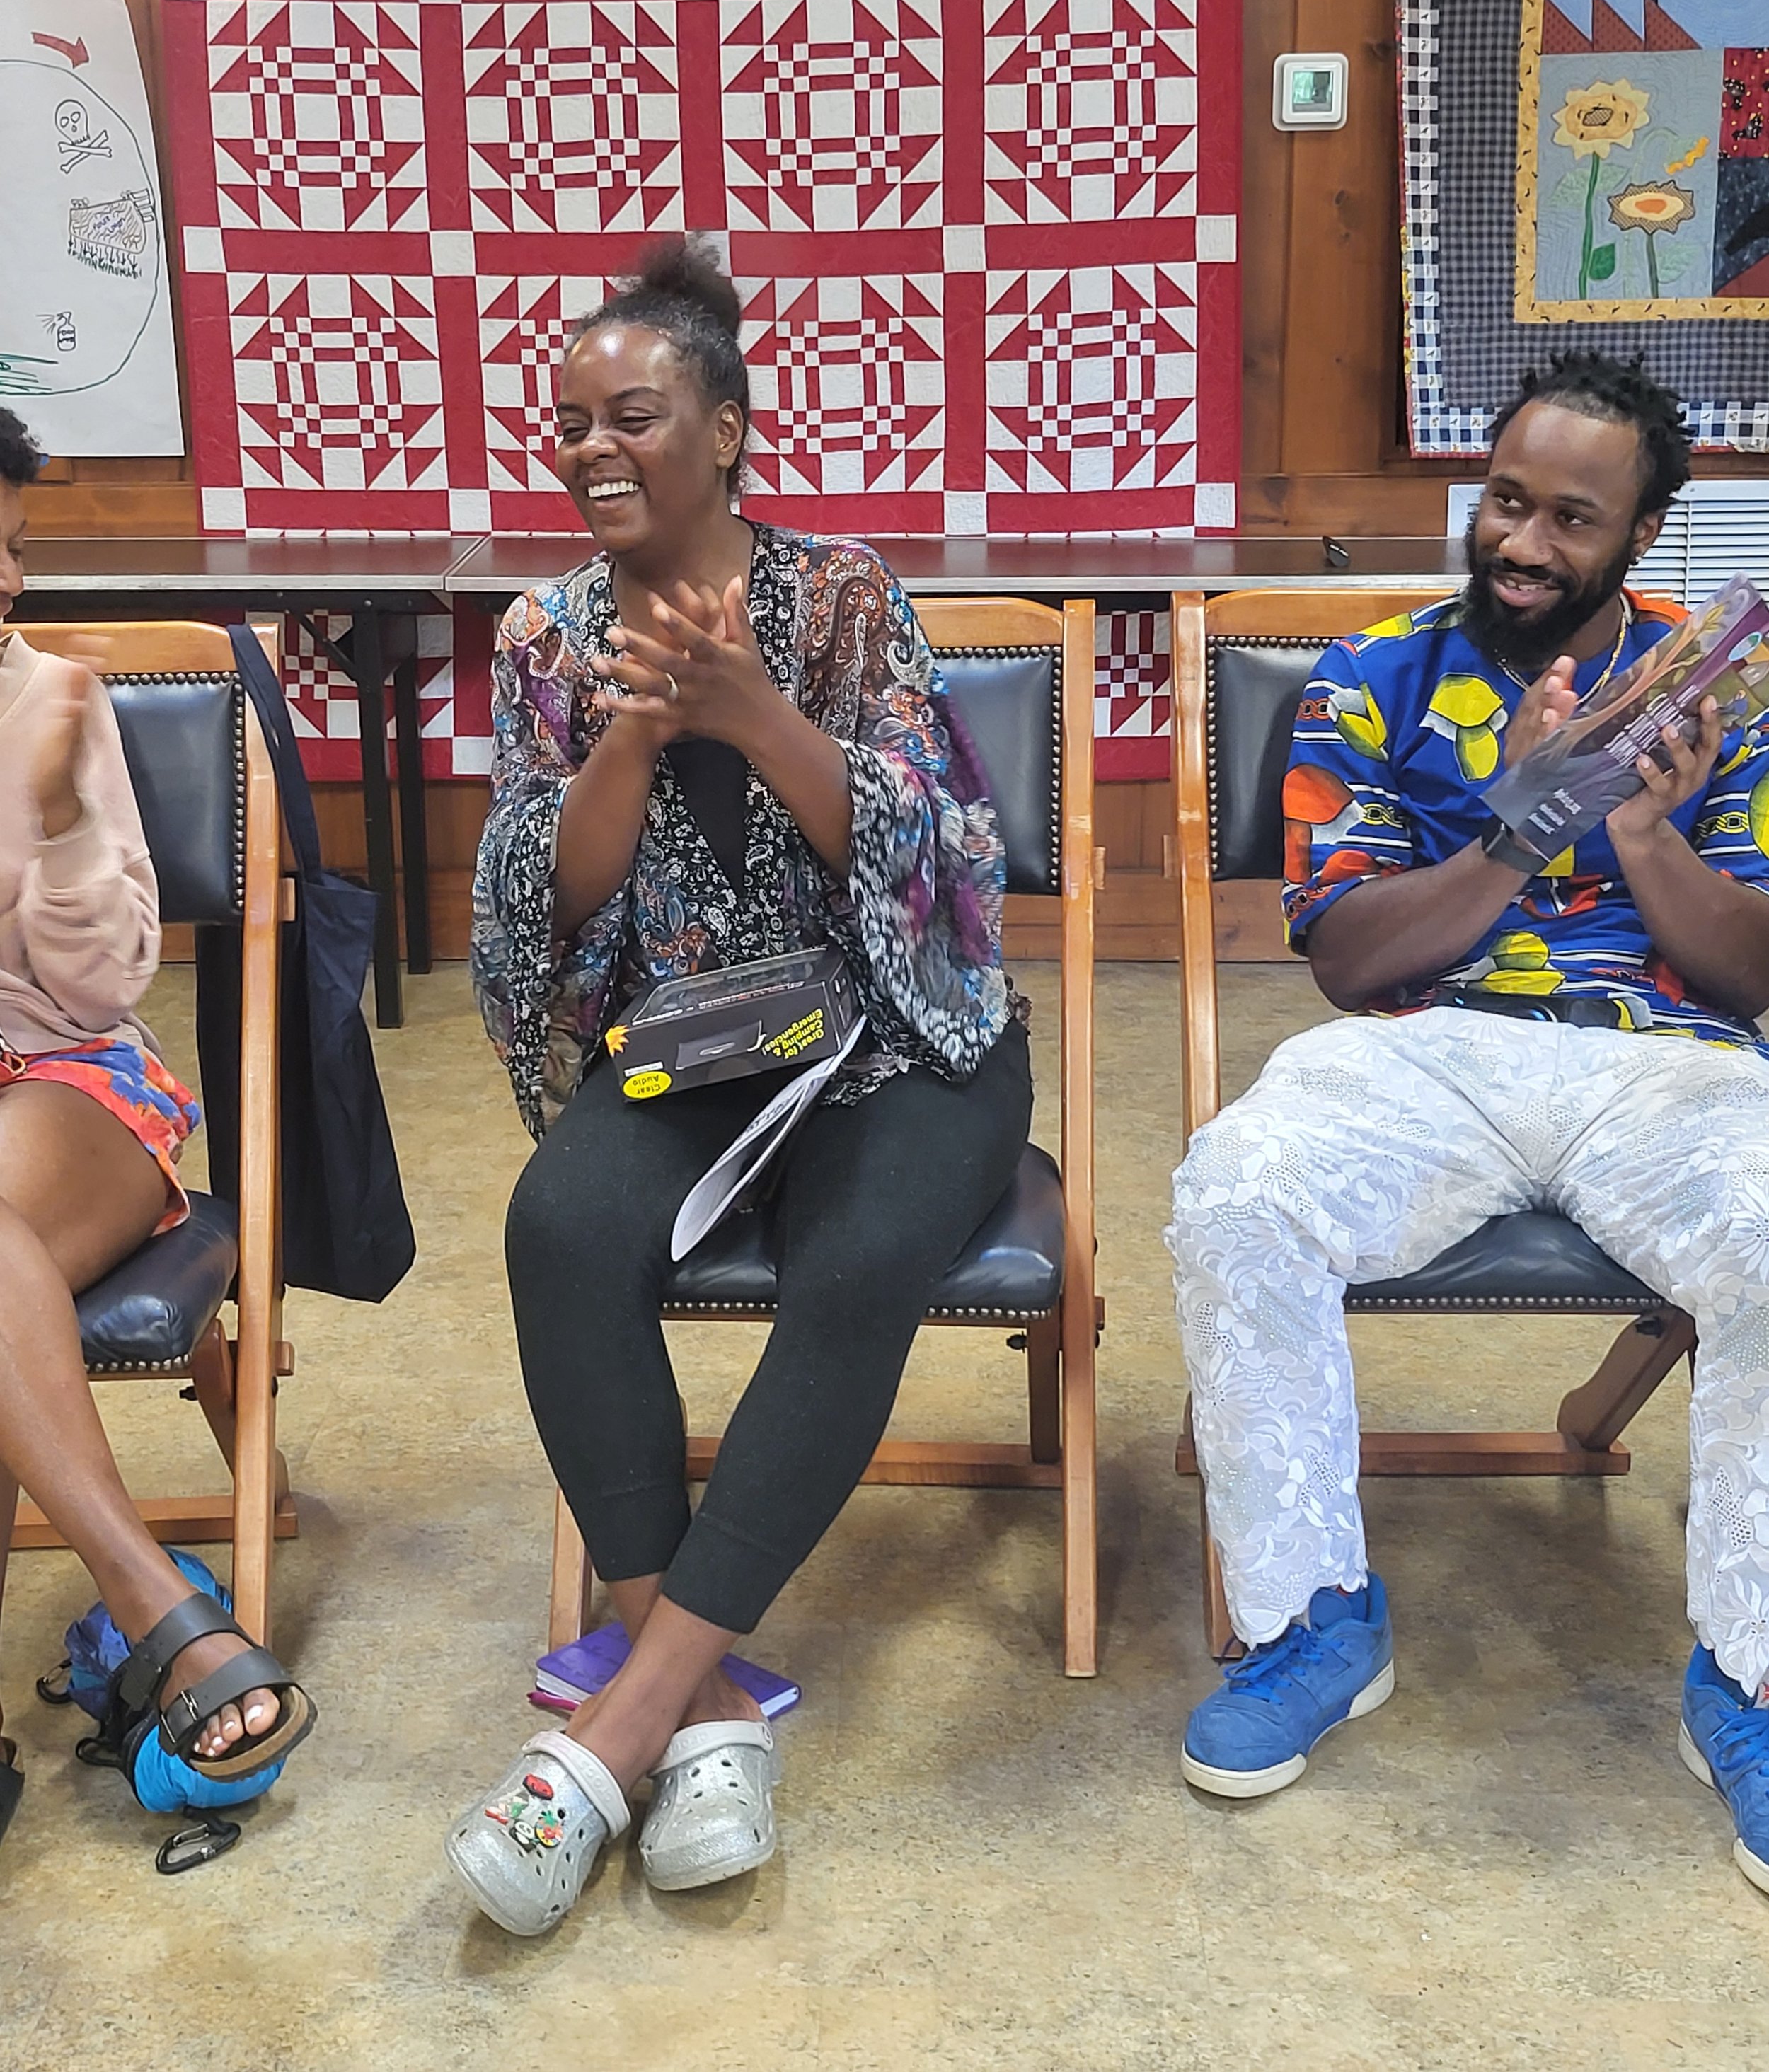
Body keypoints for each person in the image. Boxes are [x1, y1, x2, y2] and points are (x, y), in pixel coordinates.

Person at [454, 238, 1030, 1933]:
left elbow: (947, 870)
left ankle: (618, 1726)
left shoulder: (844, 595)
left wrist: (754, 710)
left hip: (896, 1039)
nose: (589, 449)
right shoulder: (546, 637)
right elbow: (534, 907)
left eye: (630, 415)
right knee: (560, 1223)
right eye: (568, 423)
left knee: (855, 1263)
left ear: (723, 427)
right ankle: (705, 1705)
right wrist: (632, 731)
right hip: (701, 1039)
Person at [1169, 354, 1769, 1897]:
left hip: (1661, 1057)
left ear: (1639, 536)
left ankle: (1748, 1675)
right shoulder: (1369, 676)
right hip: (1420, 1046)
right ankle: (1310, 1618)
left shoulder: (1712, 697)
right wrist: (1521, 822)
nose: (1519, 540)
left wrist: (1637, 826)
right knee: (1238, 1192)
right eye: (1505, 498)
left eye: (1569, 517)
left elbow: (1750, 970)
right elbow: (1347, 953)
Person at [0, 408, 314, 1848]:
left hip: (64, 1087)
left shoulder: (49, 703)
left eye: (8, 549)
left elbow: (101, 980)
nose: (7, 584)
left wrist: (59, 821)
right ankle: (174, 1630)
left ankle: (149, 1605)